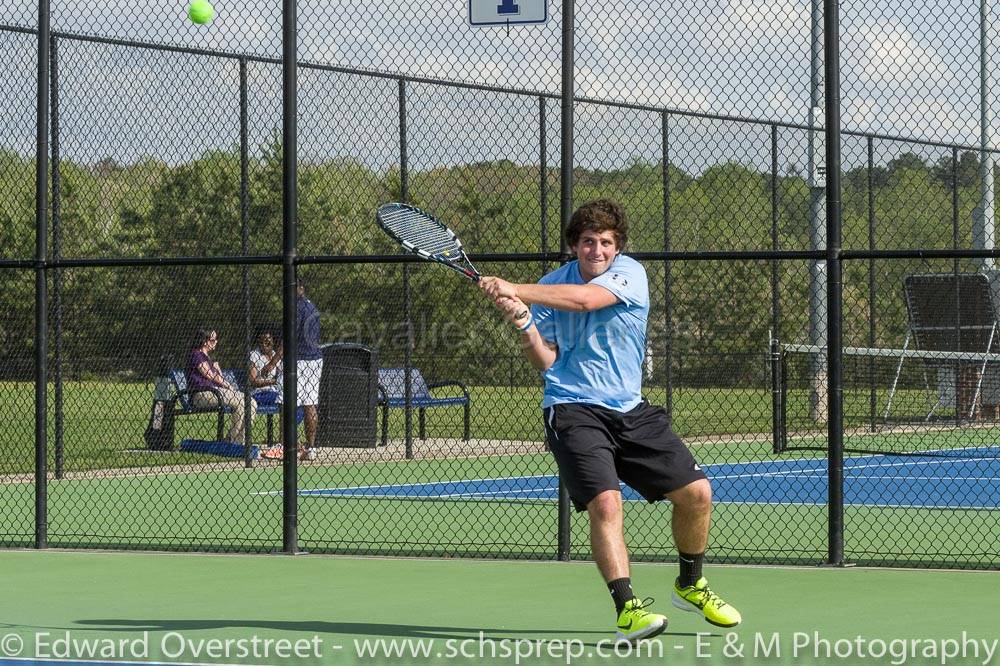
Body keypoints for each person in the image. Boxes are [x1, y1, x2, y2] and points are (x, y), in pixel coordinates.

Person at [479, 199, 741, 644]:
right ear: (574, 246)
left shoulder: (630, 274)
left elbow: (585, 301)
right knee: (605, 504)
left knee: (697, 494)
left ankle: (690, 584)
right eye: (587, 242)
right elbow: (547, 362)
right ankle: (628, 610)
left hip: (630, 409)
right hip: (573, 408)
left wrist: (515, 288)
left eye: (605, 242)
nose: (596, 250)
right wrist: (525, 325)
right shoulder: (550, 286)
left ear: (617, 248)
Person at [186, 328, 256, 446]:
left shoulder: (208, 358)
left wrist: (219, 372)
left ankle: (239, 440)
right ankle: (232, 441)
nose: (216, 342)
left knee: (251, 402)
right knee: (240, 402)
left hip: (215, 392)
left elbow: (216, 378)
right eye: (213, 340)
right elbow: (210, 376)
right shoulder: (196, 354)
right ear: (205, 342)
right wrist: (229, 386)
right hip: (201, 394)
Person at [296, 278, 323, 461]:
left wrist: (273, 363)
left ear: (301, 288)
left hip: (299, 359)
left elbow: (289, 336)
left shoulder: (297, 307)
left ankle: (288, 447)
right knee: (310, 403)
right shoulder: (311, 306)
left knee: (288, 403)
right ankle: (310, 448)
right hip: (315, 359)